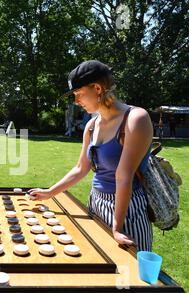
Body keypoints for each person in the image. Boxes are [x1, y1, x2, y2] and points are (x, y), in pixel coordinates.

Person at [30, 60, 153, 252]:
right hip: (95, 202)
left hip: (127, 209)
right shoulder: (91, 125)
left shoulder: (136, 118)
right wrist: (49, 192)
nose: (76, 101)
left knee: (130, 275)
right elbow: (81, 168)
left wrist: (117, 226)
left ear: (97, 88)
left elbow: (123, 176)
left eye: (79, 94)